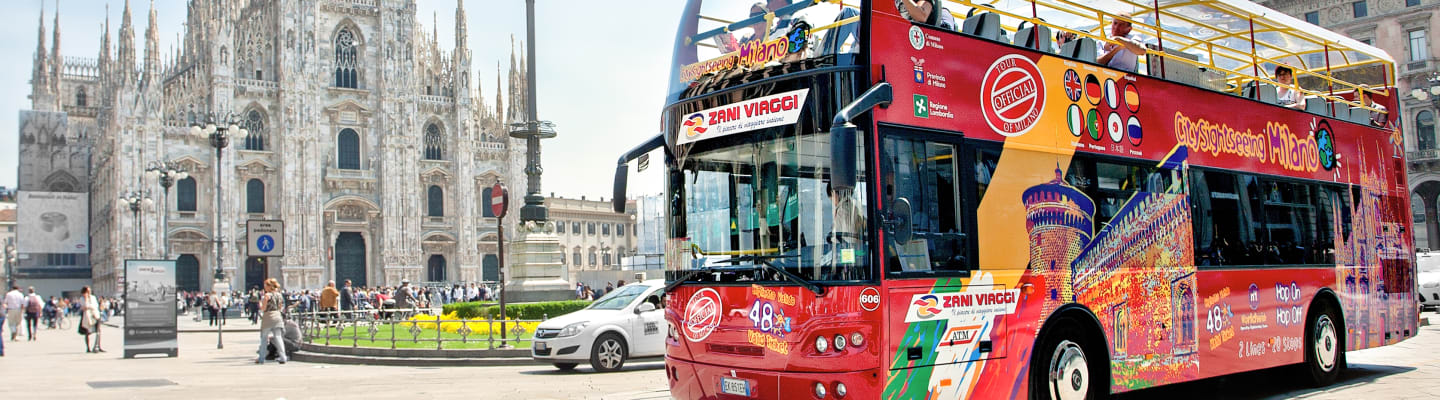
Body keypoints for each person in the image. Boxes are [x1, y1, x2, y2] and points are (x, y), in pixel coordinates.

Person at [255, 278, 288, 364]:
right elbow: (280, 307)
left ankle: (261, 358)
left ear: (270, 286)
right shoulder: (279, 295)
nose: (264, 287)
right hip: (277, 316)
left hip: (268, 317)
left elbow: (263, 308)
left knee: (264, 338)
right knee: (278, 337)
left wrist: (260, 304)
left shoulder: (267, 295)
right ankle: (283, 357)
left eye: (266, 285)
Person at [80, 286, 103, 353]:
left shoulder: (93, 297)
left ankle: (98, 346)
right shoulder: (82, 298)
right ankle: (88, 347)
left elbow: (95, 305)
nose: (89, 292)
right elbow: (84, 306)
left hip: (95, 314)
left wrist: (89, 306)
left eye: (89, 291)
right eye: (87, 291)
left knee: (98, 331)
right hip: (87, 316)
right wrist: (86, 299)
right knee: (87, 332)